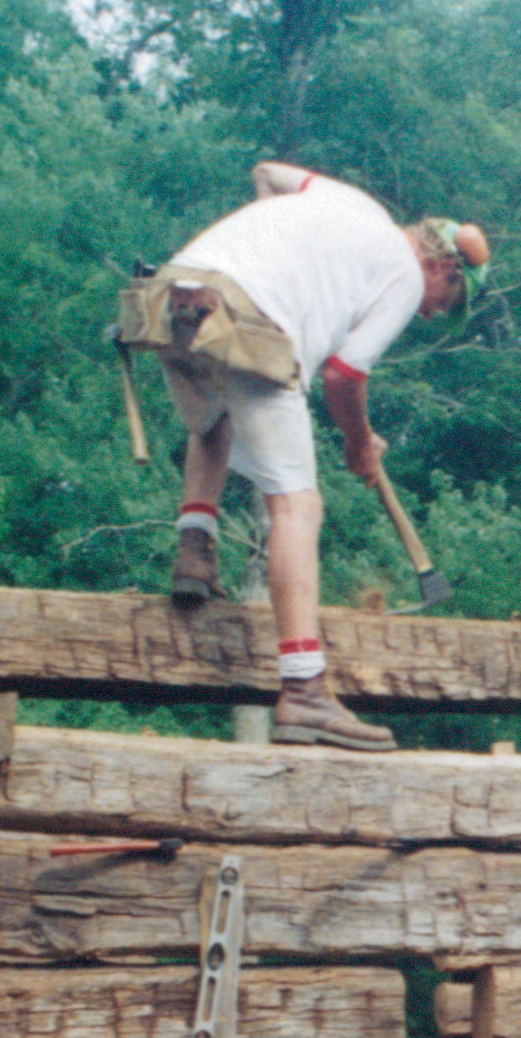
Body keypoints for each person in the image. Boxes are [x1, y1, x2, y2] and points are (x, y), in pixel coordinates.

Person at [133, 160, 488, 751]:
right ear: (445, 266)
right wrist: (357, 443)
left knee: (216, 414)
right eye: (448, 299)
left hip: (174, 299)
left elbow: (266, 172)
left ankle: (194, 551)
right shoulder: (402, 275)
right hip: (250, 319)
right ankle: (303, 692)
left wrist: (276, 240)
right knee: (298, 505)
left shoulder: (348, 202)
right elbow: (344, 377)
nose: (434, 313)